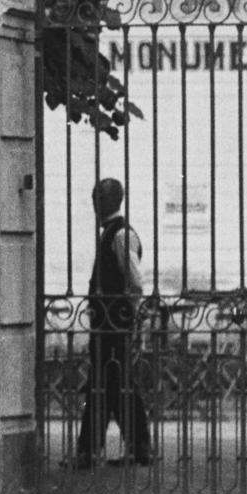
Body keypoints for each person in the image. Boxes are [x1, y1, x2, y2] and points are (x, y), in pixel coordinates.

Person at [77, 175, 155, 467]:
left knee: (110, 384)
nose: (95, 204)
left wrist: (127, 316)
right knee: (111, 384)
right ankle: (130, 448)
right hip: (107, 323)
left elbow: (134, 281)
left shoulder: (121, 235)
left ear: (111, 201)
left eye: (99, 198)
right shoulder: (112, 233)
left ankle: (94, 450)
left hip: (114, 324)